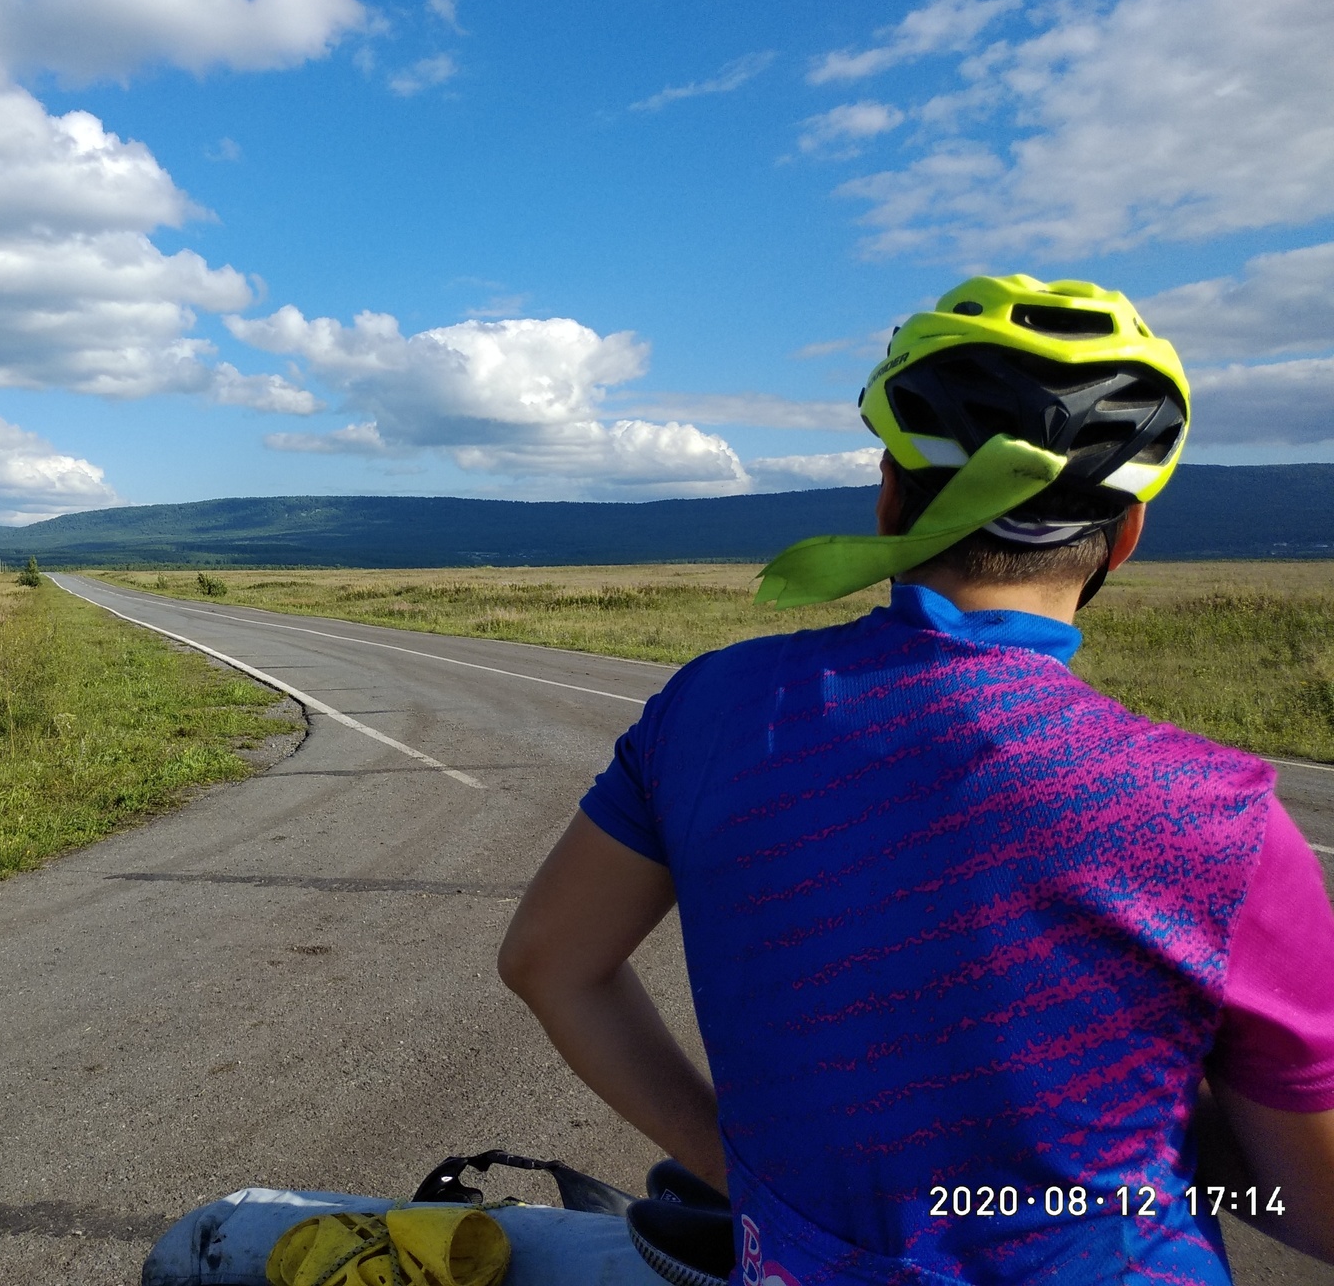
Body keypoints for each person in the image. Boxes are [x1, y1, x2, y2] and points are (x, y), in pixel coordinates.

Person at [497, 275, 1334, 1284]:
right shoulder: (1215, 818)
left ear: (890, 495)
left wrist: (743, 1171)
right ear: (1125, 534)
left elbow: (548, 960)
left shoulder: (709, 709)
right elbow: (1311, 1204)